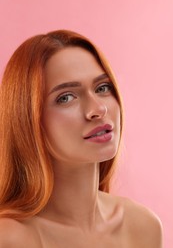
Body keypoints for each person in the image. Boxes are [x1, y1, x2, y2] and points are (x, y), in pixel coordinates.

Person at [0, 30, 162, 247]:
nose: (98, 109)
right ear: (26, 117)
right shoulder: (10, 238)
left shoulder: (143, 226)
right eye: (66, 98)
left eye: (102, 88)